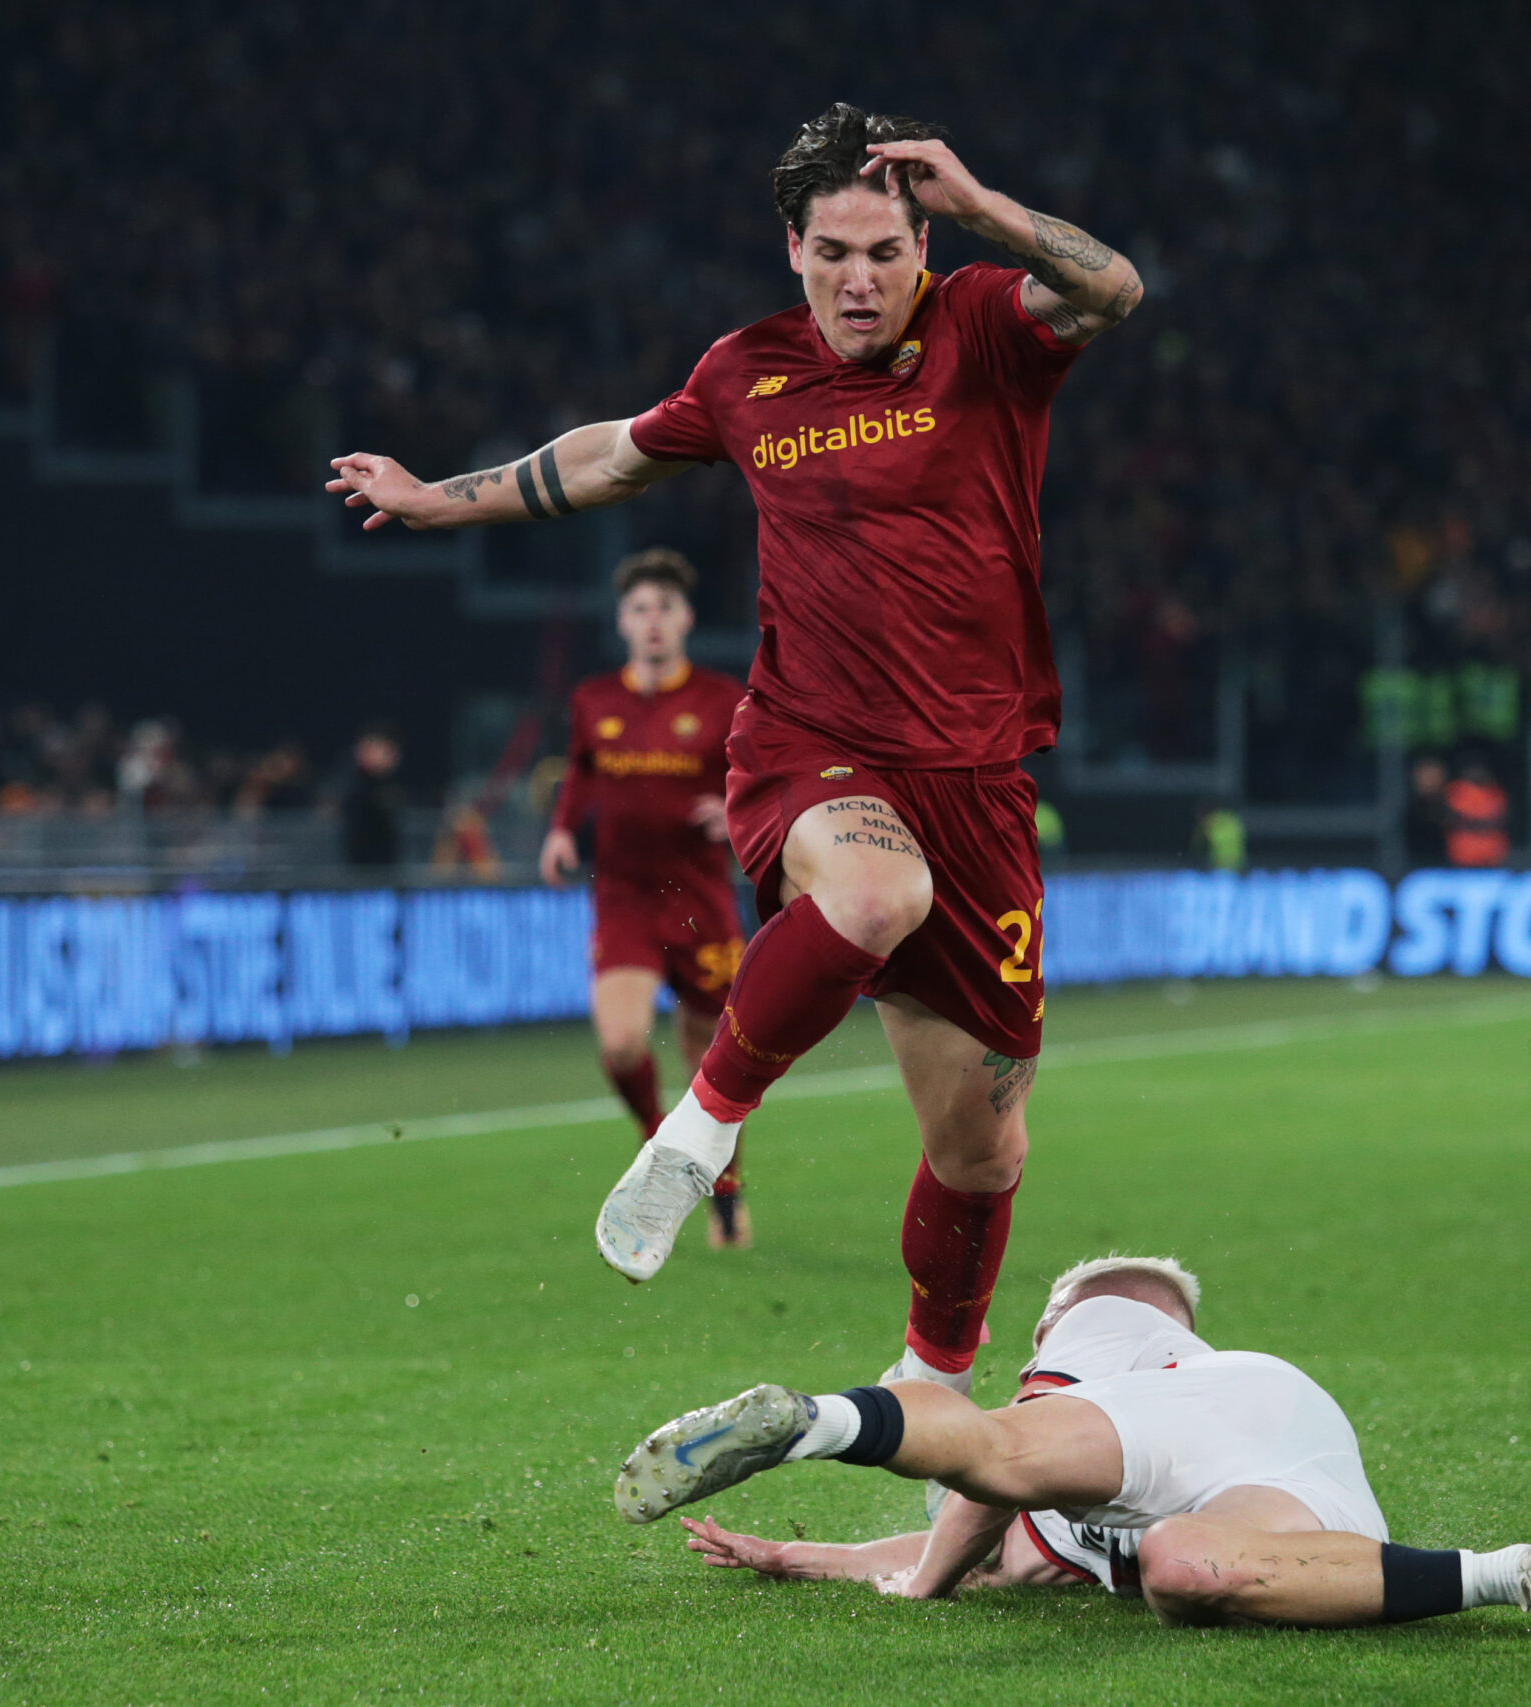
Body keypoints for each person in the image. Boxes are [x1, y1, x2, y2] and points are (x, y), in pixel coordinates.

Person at [326, 104, 1141, 1407]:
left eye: (885, 249)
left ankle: (931, 1374)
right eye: (832, 252)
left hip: (979, 780)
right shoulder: (746, 372)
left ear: (923, 240)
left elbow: (1112, 286)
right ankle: (699, 1131)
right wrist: (439, 496)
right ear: (792, 247)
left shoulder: (985, 323)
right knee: (875, 894)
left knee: (982, 1151)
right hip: (811, 745)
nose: (859, 279)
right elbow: (611, 457)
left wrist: (984, 203)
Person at [616, 1255, 1531, 1629]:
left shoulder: (1105, 1317)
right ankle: (1521, 1572)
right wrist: (796, 1558)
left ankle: (826, 1419)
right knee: (1176, 1566)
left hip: (1241, 1428)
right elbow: (995, 1557)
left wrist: (923, 1587)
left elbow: (989, 1488)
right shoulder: (1143, 1376)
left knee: (994, 1449)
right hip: (1258, 1463)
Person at [541, 548, 753, 1248]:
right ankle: (654, 1136)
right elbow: (579, 772)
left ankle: (725, 1190)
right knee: (622, 1042)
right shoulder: (593, 701)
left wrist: (735, 812)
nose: (653, 620)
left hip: (699, 897)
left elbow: (760, 774)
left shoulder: (723, 699)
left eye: (665, 607)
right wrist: (562, 831)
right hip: (625, 898)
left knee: (711, 1064)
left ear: (686, 618)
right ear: (622, 622)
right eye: (640, 609)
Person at [339, 723, 405, 869]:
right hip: (360, 866)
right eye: (385, 751)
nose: (392, 757)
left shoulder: (391, 782)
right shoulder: (353, 781)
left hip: (386, 866)